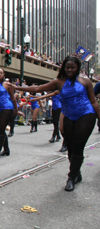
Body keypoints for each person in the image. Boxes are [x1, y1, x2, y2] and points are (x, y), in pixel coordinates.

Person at [11, 56, 100, 191]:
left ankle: (71, 177)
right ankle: (77, 172)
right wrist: (16, 87)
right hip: (69, 116)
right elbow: (38, 88)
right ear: (64, 68)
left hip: (86, 114)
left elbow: (93, 101)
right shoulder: (58, 82)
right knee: (69, 146)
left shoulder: (85, 81)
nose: (69, 70)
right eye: (67, 67)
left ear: (78, 68)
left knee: (78, 145)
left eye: (72, 67)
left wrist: (99, 117)